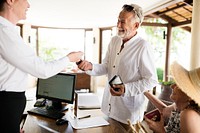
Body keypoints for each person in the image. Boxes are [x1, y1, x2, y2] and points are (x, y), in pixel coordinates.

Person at [0, 0, 83, 133]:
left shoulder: (8, 31)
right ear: (10, 1)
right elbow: (41, 70)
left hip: (9, 107)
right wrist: (70, 58)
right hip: (6, 104)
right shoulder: (4, 32)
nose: (28, 5)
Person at [77, 3, 158, 130]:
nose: (118, 25)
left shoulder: (143, 46)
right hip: (108, 109)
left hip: (128, 116)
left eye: (122, 22)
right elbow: (106, 67)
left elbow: (151, 80)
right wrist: (90, 67)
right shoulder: (114, 41)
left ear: (136, 25)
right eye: (118, 21)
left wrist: (126, 89)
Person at [144, 61, 200, 133]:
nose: (172, 86)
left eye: (179, 85)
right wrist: (145, 91)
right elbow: (164, 110)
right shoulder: (179, 106)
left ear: (190, 95)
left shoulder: (189, 115)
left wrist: (160, 130)